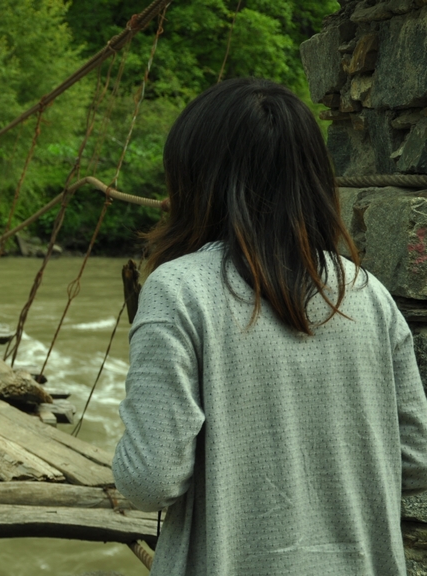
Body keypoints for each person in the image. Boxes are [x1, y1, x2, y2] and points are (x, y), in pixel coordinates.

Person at [112, 78, 427, 575]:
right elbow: (416, 459)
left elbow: (150, 479)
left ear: (194, 179)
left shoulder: (178, 290)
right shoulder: (368, 294)